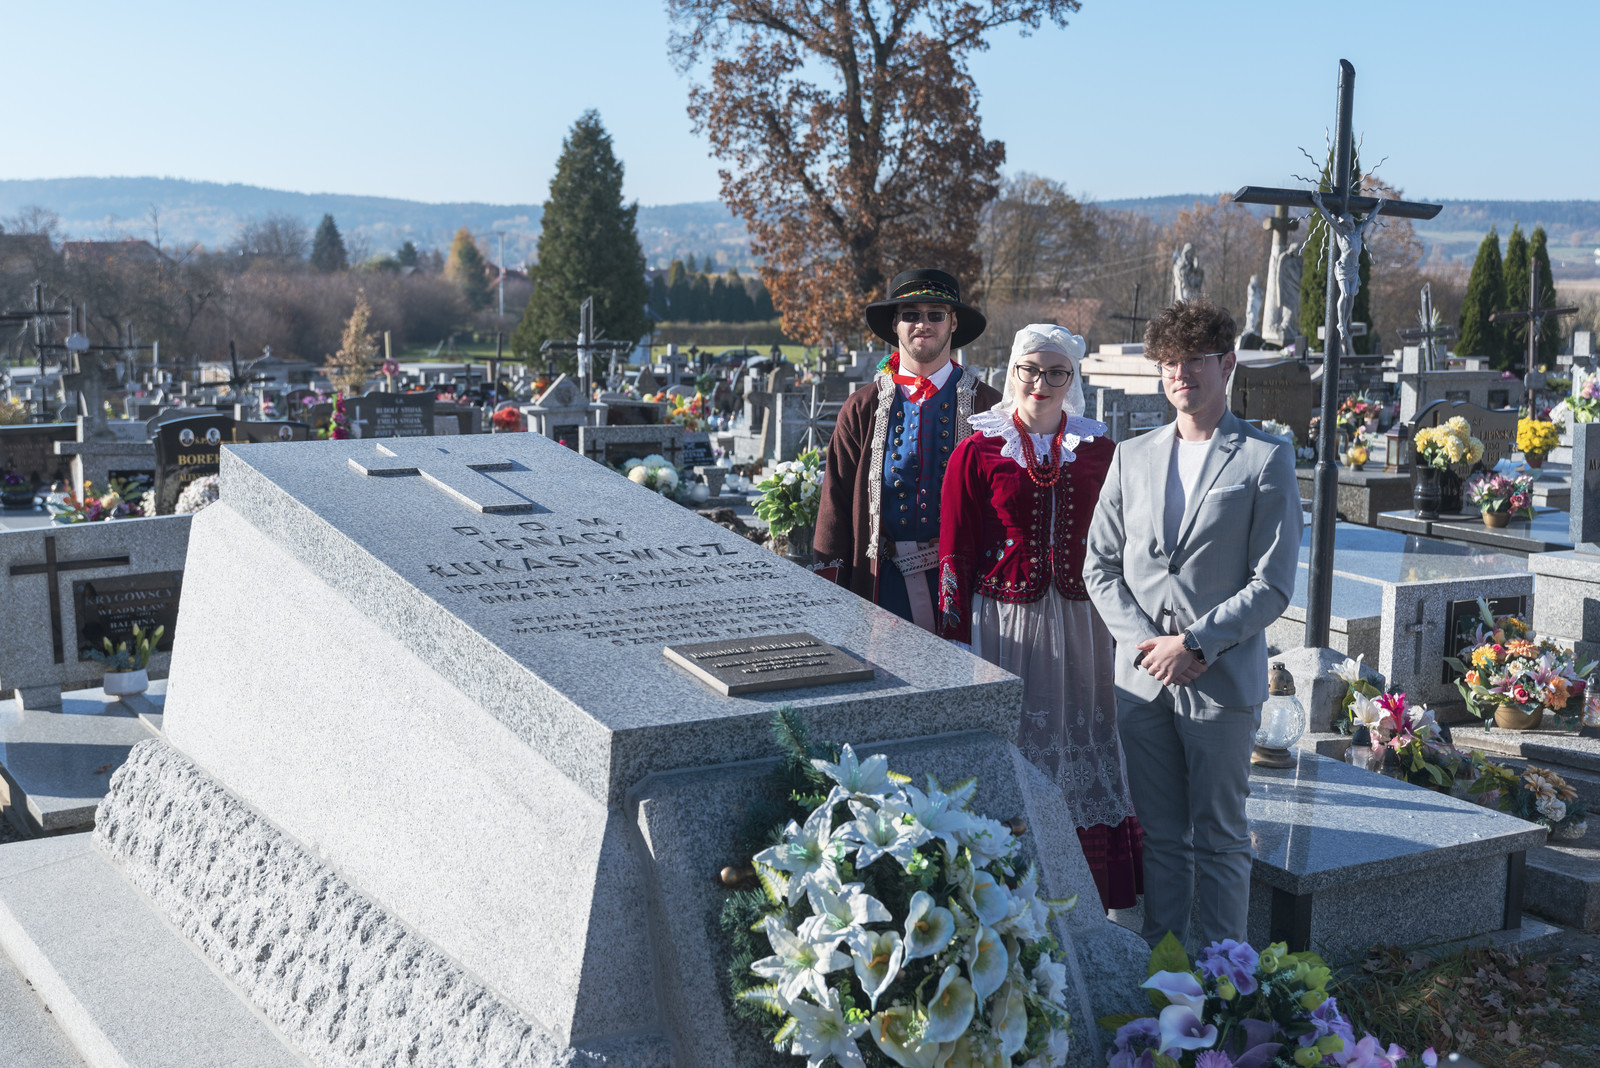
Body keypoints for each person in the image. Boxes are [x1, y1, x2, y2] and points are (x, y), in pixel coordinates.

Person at [1082, 298, 1301, 948]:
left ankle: (1225, 979)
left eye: (1196, 360)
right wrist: (1149, 647)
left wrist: (1196, 644)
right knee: (1161, 838)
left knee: (1222, 839)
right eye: (1170, 362)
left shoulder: (1264, 457)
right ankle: (1166, 974)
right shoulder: (1132, 456)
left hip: (1221, 682)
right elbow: (1100, 566)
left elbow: (1273, 584)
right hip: (1142, 681)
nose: (1181, 373)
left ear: (1227, 364)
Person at [938, 324, 1144, 911]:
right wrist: (954, 637)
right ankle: (1007, 892)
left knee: (1085, 737)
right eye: (1031, 369)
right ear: (1013, 372)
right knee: (1018, 742)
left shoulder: (1100, 450)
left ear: (1071, 379)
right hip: (1005, 624)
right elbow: (954, 550)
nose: (1042, 382)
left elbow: (1125, 542)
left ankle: (1088, 891)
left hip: (1084, 623)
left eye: (1057, 372)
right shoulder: (978, 450)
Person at [812, 269, 1003, 630]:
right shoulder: (862, 408)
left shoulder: (988, 407)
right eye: (911, 314)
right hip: (880, 589)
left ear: (954, 322)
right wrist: (829, 597)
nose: (923, 324)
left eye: (936, 314)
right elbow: (834, 508)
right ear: (895, 324)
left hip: (967, 590)